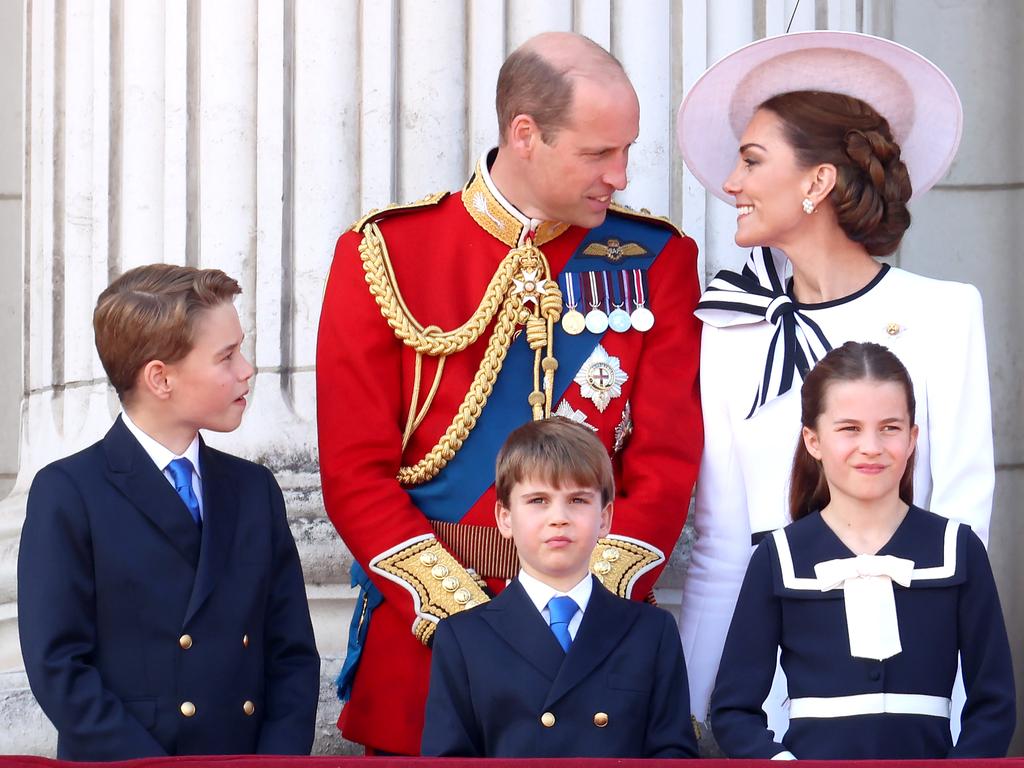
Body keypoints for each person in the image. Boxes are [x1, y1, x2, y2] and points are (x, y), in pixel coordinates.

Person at [317, 31, 703, 754]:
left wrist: (585, 604)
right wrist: (467, 621)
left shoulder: (658, 261)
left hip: (594, 651)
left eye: (627, 150)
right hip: (430, 647)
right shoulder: (386, 254)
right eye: (598, 153)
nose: (620, 174)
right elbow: (352, 472)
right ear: (525, 134)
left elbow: (666, 462)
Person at [674, 31, 994, 741]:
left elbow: (961, 523)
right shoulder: (729, 325)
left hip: (903, 685)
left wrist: (961, 709)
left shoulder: (944, 313)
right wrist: (699, 708)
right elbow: (723, 542)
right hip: (766, 686)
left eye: (752, 161)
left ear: (816, 182)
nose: (731, 183)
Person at [18, 265, 320, 760]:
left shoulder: (253, 490)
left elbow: (291, 656)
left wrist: (276, 761)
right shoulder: (69, 492)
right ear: (160, 378)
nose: (247, 369)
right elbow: (60, 669)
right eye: (226, 357)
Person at [710, 341, 1014, 759]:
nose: (871, 446)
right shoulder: (778, 556)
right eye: (849, 428)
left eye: (889, 427)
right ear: (813, 440)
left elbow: (995, 705)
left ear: (912, 438)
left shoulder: (958, 549)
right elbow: (733, 710)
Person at [421, 417, 697, 758]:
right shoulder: (463, 638)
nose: (559, 517)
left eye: (578, 500)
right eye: (538, 500)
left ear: (605, 518)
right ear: (505, 517)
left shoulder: (651, 632)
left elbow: (673, 757)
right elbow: (448, 762)